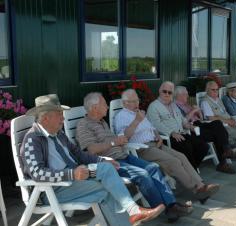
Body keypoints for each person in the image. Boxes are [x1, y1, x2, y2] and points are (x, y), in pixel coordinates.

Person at [21, 94, 165, 226]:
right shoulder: (33, 139)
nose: (63, 119)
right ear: (46, 118)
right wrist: (71, 174)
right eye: (59, 115)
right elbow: (37, 173)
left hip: (76, 178)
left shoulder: (58, 134)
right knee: (108, 188)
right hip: (53, 189)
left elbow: (79, 154)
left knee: (107, 169)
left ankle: (134, 212)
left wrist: (102, 160)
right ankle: (133, 211)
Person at [76, 92, 192, 222]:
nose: (107, 107)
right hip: (110, 163)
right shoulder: (83, 125)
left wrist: (119, 141)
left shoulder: (102, 122)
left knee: (153, 167)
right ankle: (165, 209)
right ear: (95, 107)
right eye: (104, 104)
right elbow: (90, 150)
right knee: (143, 174)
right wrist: (114, 142)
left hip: (123, 155)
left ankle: (172, 205)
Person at [114, 89, 220, 204]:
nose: (137, 103)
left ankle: (201, 184)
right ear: (125, 103)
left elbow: (151, 128)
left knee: (181, 156)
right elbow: (123, 138)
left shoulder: (139, 112)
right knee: (173, 161)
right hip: (142, 149)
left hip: (156, 143)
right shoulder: (121, 116)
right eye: (133, 101)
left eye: (137, 100)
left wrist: (158, 136)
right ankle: (197, 189)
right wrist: (136, 121)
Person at [147, 81, 210, 170]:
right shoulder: (154, 106)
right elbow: (156, 125)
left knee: (203, 146)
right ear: (160, 91)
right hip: (168, 137)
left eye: (170, 92)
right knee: (188, 148)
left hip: (182, 134)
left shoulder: (173, 105)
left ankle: (190, 168)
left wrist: (190, 126)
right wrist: (172, 133)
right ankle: (193, 173)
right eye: (164, 91)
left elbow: (182, 120)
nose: (167, 94)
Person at [174, 86, 236, 174]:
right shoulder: (175, 107)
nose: (187, 96)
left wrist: (199, 111)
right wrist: (193, 111)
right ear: (178, 95)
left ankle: (226, 149)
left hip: (200, 123)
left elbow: (201, 118)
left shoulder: (186, 104)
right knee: (218, 135)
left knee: (217, 123)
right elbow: (182, 122)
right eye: (185, 94)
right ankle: (223, 160)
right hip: (192, 129)